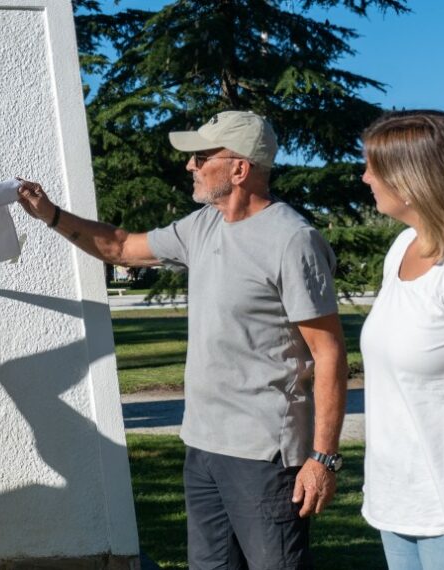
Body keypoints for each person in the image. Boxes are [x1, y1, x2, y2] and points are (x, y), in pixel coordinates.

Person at [17, 111, 348, 569]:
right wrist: (50, 215)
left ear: (239, 168)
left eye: (201, 157)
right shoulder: (201, 226)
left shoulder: (292, 240)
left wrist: (323, 459)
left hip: (264, 454)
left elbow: (329, 353)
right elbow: (119, 246)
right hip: (203, 444)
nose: (190, 166)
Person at [357, 110, 444, 570]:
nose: (364, 178)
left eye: (373, 168)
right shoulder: (402, 247)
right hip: (397, 505)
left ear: (411, 179)